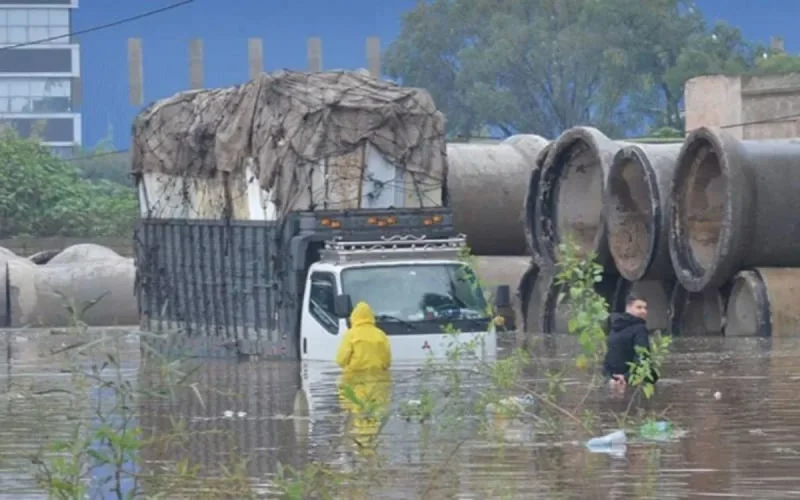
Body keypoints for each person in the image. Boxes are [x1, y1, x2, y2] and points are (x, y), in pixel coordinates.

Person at [335, 301, 392, 453]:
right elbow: (387, 361)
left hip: (353, 380)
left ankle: (361, 445)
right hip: (377, 381)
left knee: (356, 412)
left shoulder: (351, 334)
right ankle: (371, 444)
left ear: (354, 317)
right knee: (374, 412)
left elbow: (340, 360)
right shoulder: (380, 335)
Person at [603, 294, 659, 391]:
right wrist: (626, 377)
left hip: (612, 378)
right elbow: (643, 357)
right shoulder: (640, 328)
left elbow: (609, 355)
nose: (643, 311)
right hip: (631, 380)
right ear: (628, 307)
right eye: (639, 307)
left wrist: (609, 376)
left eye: (645, 308)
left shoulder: (614, 326)